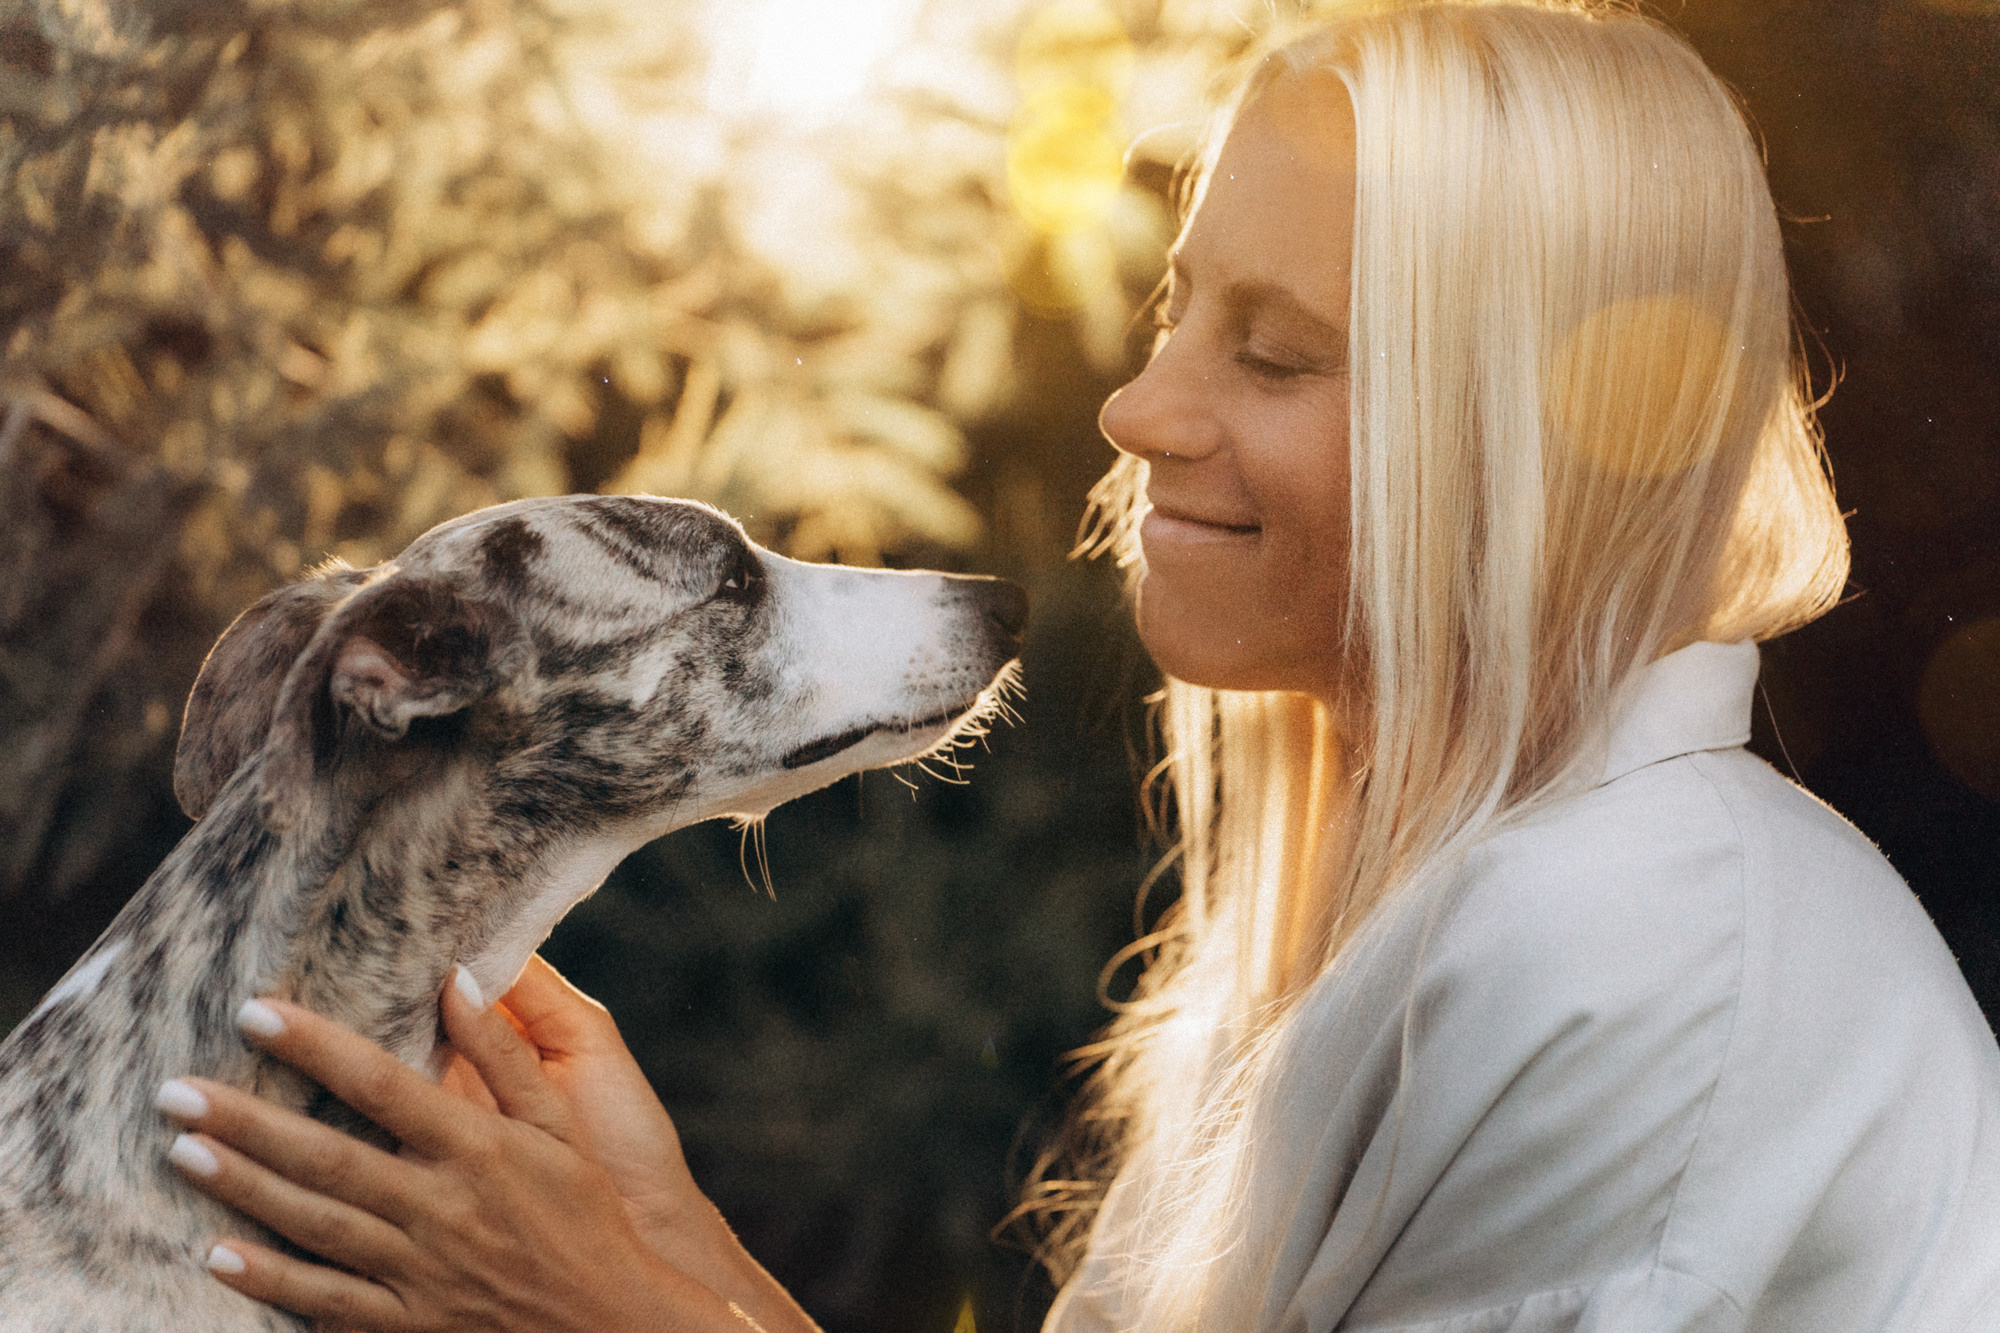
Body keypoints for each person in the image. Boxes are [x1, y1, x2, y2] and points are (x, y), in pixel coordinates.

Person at [155, 2, 2000, 1329]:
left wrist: (612, 1313)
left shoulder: (1645, 953)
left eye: (1274, 355)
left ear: (1524, 439)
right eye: (1178, 308)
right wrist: (669, 1244)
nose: (1138, 405)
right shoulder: (1465, 904)